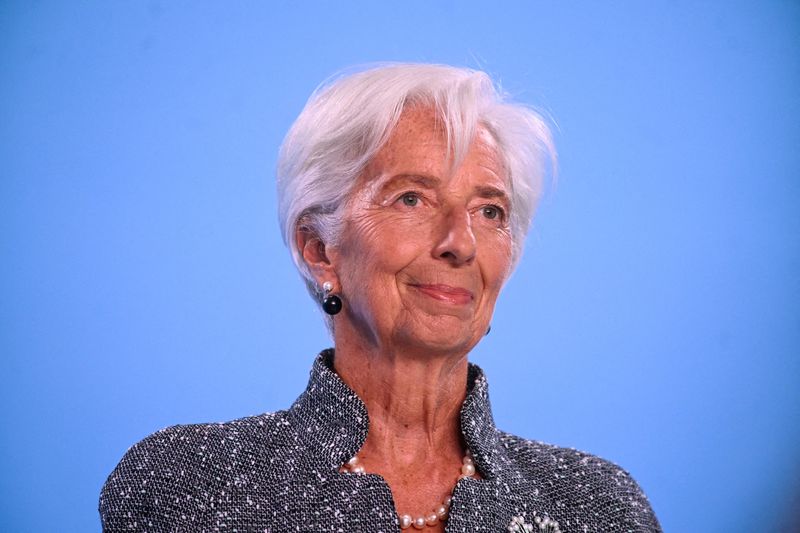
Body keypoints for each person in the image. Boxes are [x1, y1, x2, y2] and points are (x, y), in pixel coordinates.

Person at [99, 63, 661, 532]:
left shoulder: (599, 505)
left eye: (490, 212)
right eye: (412, 199)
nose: (460, 244)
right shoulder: (188, 486)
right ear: (320, 248)